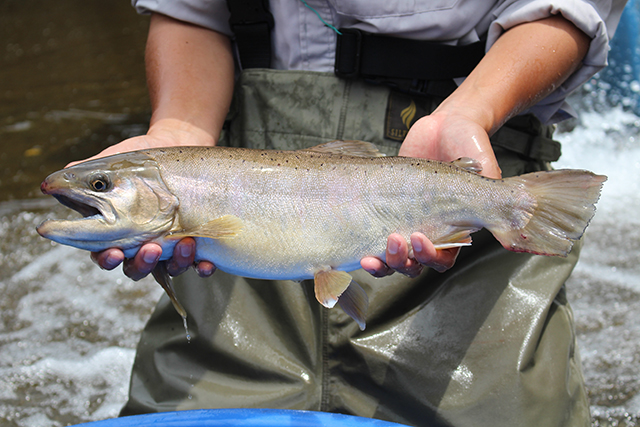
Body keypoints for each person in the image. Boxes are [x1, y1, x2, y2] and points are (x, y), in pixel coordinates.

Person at [81, 1, 625, 426]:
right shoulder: (177, 189)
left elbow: (570, 10)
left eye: (101, 186)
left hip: (466, 146)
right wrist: (178, 131)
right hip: (236, 204)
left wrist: (471, 112)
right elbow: (191, 12)